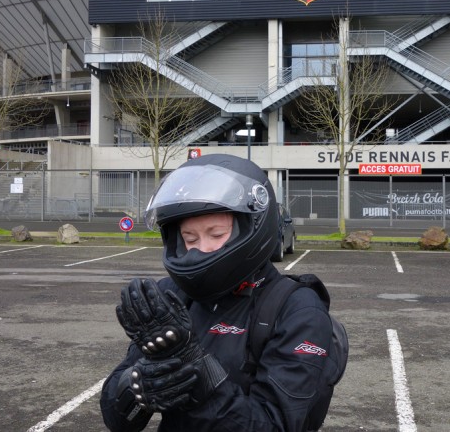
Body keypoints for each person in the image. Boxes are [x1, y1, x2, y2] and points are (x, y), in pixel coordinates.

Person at [100, 153, 334, 432]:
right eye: (190, 238)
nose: (201, 248)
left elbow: (276, 425)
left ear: (252, 226)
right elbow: (119, 421)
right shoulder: (171, 298)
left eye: (216, 233)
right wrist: (138, 387)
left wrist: (197, 372)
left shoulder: (297, 310)